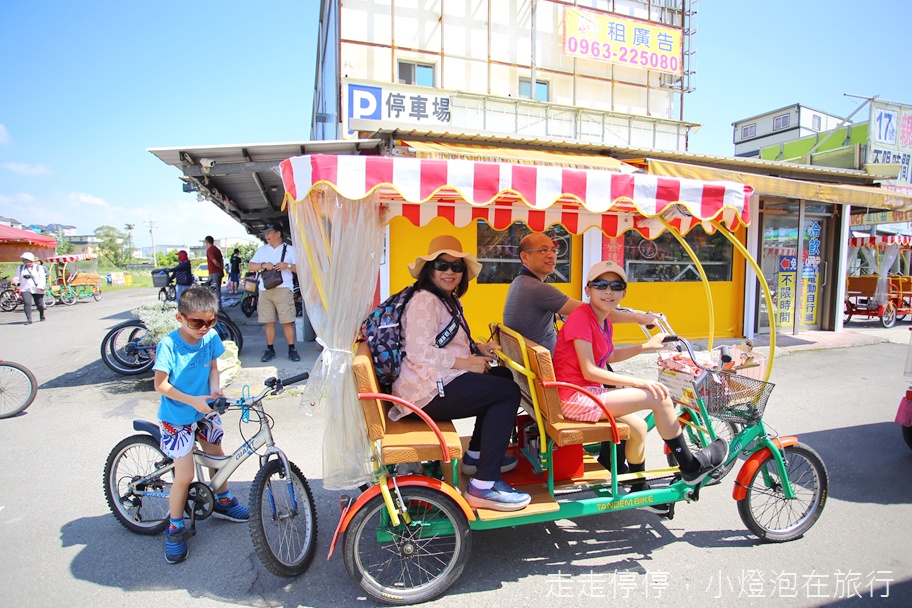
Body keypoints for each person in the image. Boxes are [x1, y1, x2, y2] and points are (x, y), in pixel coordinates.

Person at [552, 261, 727, 511]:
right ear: (587, 289)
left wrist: (645, 347)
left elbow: (607, 357)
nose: (608, 291)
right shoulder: (581, 318)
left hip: (584, 394)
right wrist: (639, 382)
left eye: (616, 286)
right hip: (576, 398)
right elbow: (590, 369)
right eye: (600, 285)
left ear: (624, 292)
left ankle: (638, 487)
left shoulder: (603, 321)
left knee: (638, 428)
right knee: (659, 395)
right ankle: (691, 466)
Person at [391, 235, 530, 512]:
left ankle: (477, 456)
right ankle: (484, 487)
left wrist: (478, 349)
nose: (450, 272)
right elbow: (419, 353)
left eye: (457, 267)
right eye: (443, 265)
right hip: (422, 391)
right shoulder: (424, 300)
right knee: (507, 392)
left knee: (501, 379)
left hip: (436, 381)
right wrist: (466, 363)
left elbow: (447, 341)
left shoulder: (448, 300)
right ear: (430, 269)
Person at [152, 286, 249, 564]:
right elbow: (160, 384)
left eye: (211, 321)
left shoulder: (211, 337)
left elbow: (213, 367)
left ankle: (224, 500)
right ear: (180, 318)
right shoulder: (169, 345)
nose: (204, 328)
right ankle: (175, 527)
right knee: (183, 476)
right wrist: (193, 401)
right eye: (197, 322)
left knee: (217, 457)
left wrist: (215, 389)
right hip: (177, 416)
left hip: (205, 409)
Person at [503, 232, 656, 353]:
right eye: (543, 250)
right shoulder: (536, 288)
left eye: (554, 250)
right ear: (524, 257)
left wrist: (560, 314)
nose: (551, 255)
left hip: (538, 359)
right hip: (553, 366)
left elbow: (533, 315)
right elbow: (596, 313)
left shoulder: (520, 283)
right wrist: (640, 318)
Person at [247, 224, 301, 362]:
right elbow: (250, 266)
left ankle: (292, 349)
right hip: (265, 290)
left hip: (283, 289)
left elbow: (300, 268)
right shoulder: (262, 250)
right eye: (265, 234)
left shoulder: (290, 250)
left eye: (269, 233)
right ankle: (270, 349)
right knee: (268, 322)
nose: (267, 236)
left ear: (278, 233)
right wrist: (262, 265)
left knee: (287, 321)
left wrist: (286, 266)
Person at [15, 252, 47, 325]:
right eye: (25, 262)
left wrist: (40, 286)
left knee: (39, 304)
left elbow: (42, 278)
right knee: (27, 303)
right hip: (25, 287)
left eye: (29, 262)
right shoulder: (20, 268)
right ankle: (29, 319)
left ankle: (42, 315)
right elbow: (17, 276)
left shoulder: (38, 267)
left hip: (37, 287)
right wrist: (16, 279)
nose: (27, 263)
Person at [205, 236, 224, 308]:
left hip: (214, 272)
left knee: (215, 289)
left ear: (206, 242)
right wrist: (221, 269)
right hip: (218, 272)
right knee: (216, 289)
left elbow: (214, 261)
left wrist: (219, 267)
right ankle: (218, 306)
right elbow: (222, 260)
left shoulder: (210, 250)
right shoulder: (217, 249)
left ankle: (217, 307)